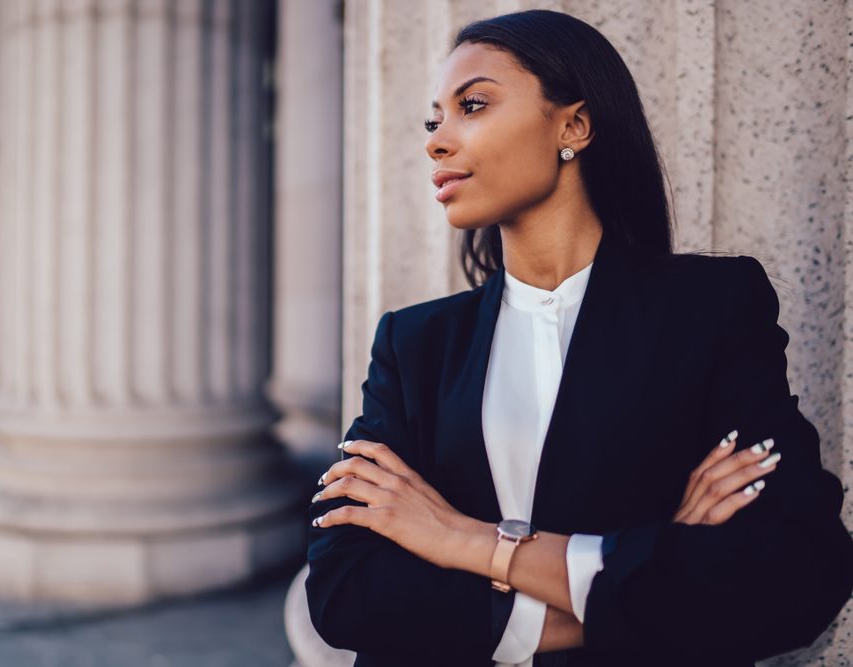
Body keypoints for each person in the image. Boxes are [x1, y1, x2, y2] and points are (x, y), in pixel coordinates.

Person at [304, 9, 853, 667]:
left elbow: (798, 569)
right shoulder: (414, 342)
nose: (436, 141)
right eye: (434, 119)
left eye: (472, 105)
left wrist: (463, 539)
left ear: (575, 125)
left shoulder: (711, 309)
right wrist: (638, 570)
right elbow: (344, 590)